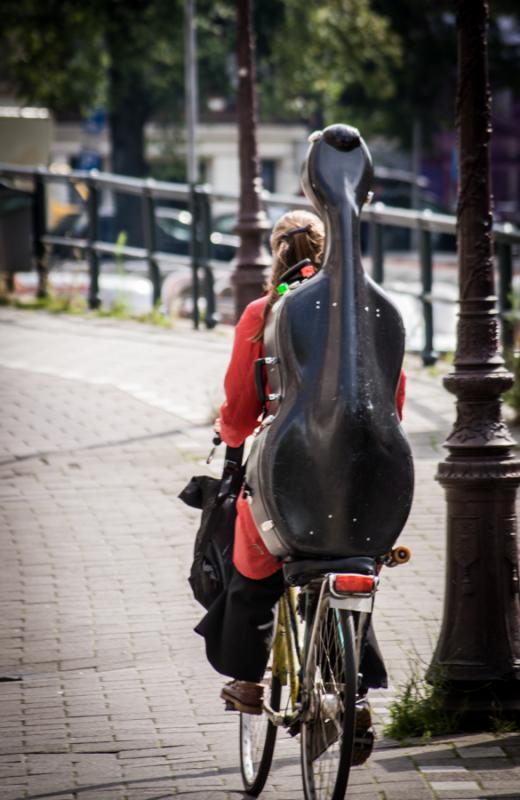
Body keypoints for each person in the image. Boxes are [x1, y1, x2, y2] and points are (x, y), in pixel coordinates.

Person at [195, 209, 406, 755]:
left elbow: (242, 407)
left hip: (288, 478)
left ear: (275, 253)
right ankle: (355, 694)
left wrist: (232, 437)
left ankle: (246, 677)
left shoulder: (263, 313)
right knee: (352, 562)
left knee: (255, 557)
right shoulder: (366, 312)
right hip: (367, 475)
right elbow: (392, 397)